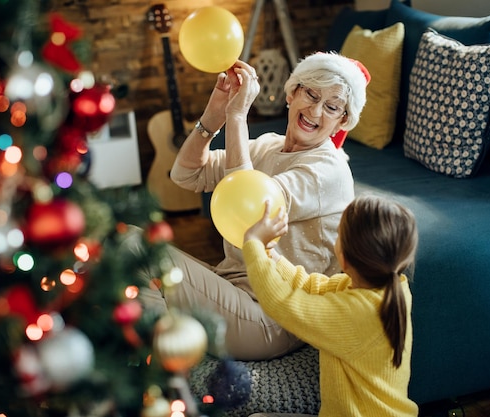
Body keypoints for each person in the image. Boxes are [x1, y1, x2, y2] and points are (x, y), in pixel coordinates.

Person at [144, 52, 370, 360]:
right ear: (292, 94)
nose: (316, 111)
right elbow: (185, 174)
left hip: (273, 317)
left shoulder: (328, 170)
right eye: (311, 94)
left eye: (331, 107)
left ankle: (152, 368)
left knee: (137, 252)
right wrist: (215, 114)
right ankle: (158, 354)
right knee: (134, 240)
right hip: (232, 286)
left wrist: (238, 118)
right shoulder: (268, 145)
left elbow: (250, 210)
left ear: (342, 121)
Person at [243, 194, 419, 417]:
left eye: (338, 235)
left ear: (343, 260)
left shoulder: (357, 314)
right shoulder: (390, 287)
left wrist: (253, 245)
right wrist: (271, 256)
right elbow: (312, 286)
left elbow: (282, 303)